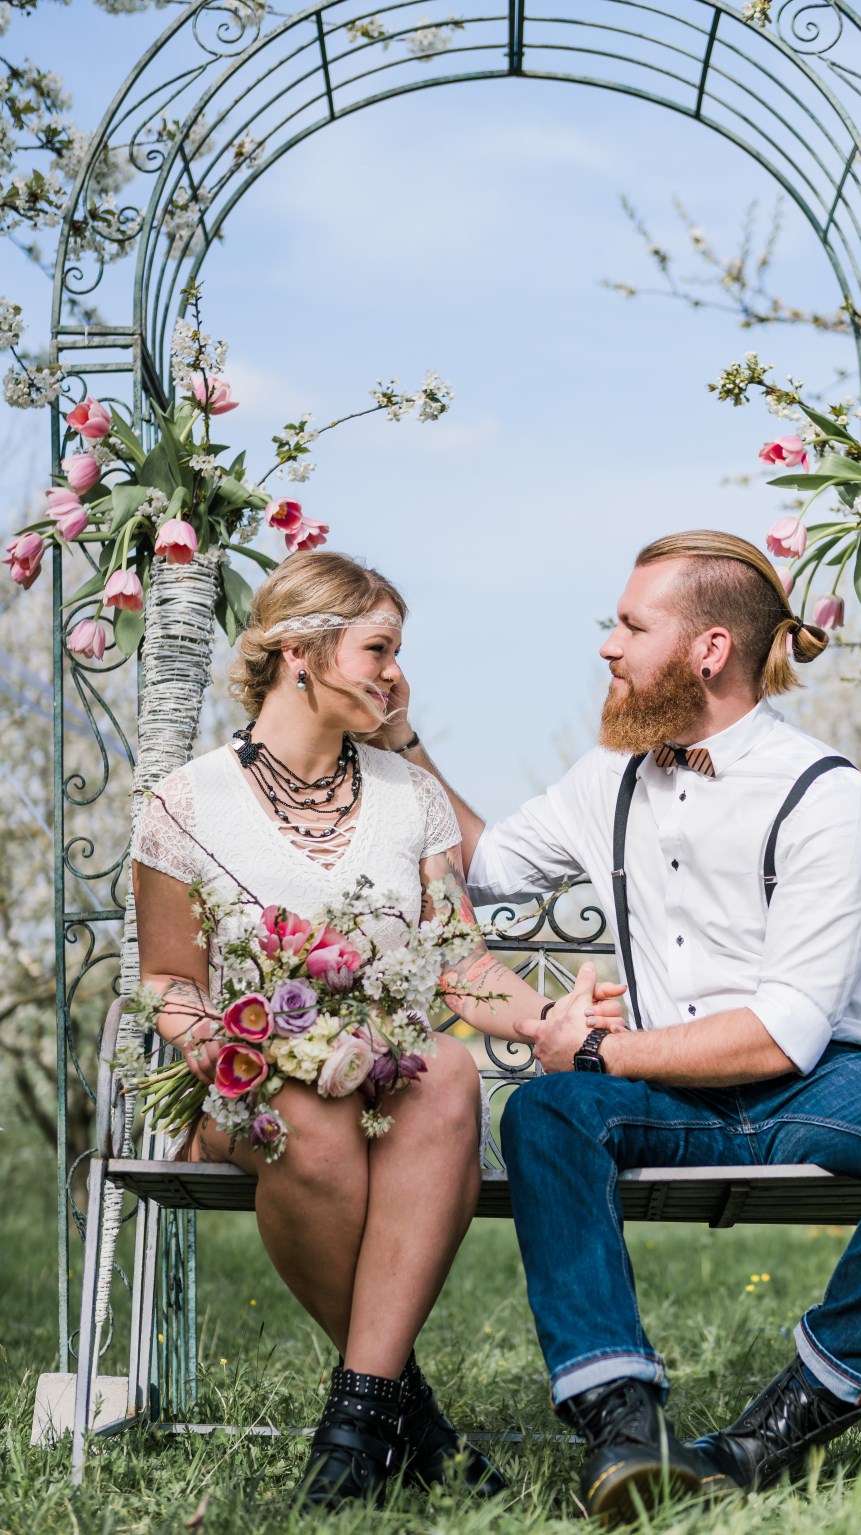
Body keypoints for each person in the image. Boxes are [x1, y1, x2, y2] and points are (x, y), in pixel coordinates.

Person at [382, 529, 861, 1520]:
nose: (609, 647)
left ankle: (791, 1416)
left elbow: (782, 1034)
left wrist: (591, 1045)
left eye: (630, 626)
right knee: (547, 1112)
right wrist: (404, 744)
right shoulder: (609, 776)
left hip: (814, 1084)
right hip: (663, 1092)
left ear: (708, 649)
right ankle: (625, 1427)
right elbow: (488, 864)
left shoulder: (826, 796)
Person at [130, 548, 623, 1510]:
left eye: (399, 651)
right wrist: (221, 1046)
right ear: (301, 651)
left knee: (443, 1070)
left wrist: (543, 1015)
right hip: (246, 1088)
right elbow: (168, 977)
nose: (396, 673)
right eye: (379, 648)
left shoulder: (413, 797)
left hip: (384, 1079)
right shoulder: (185, 804)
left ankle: (360, 1426)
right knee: (310, 1120)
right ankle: (406, 1419)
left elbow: (459, 960)